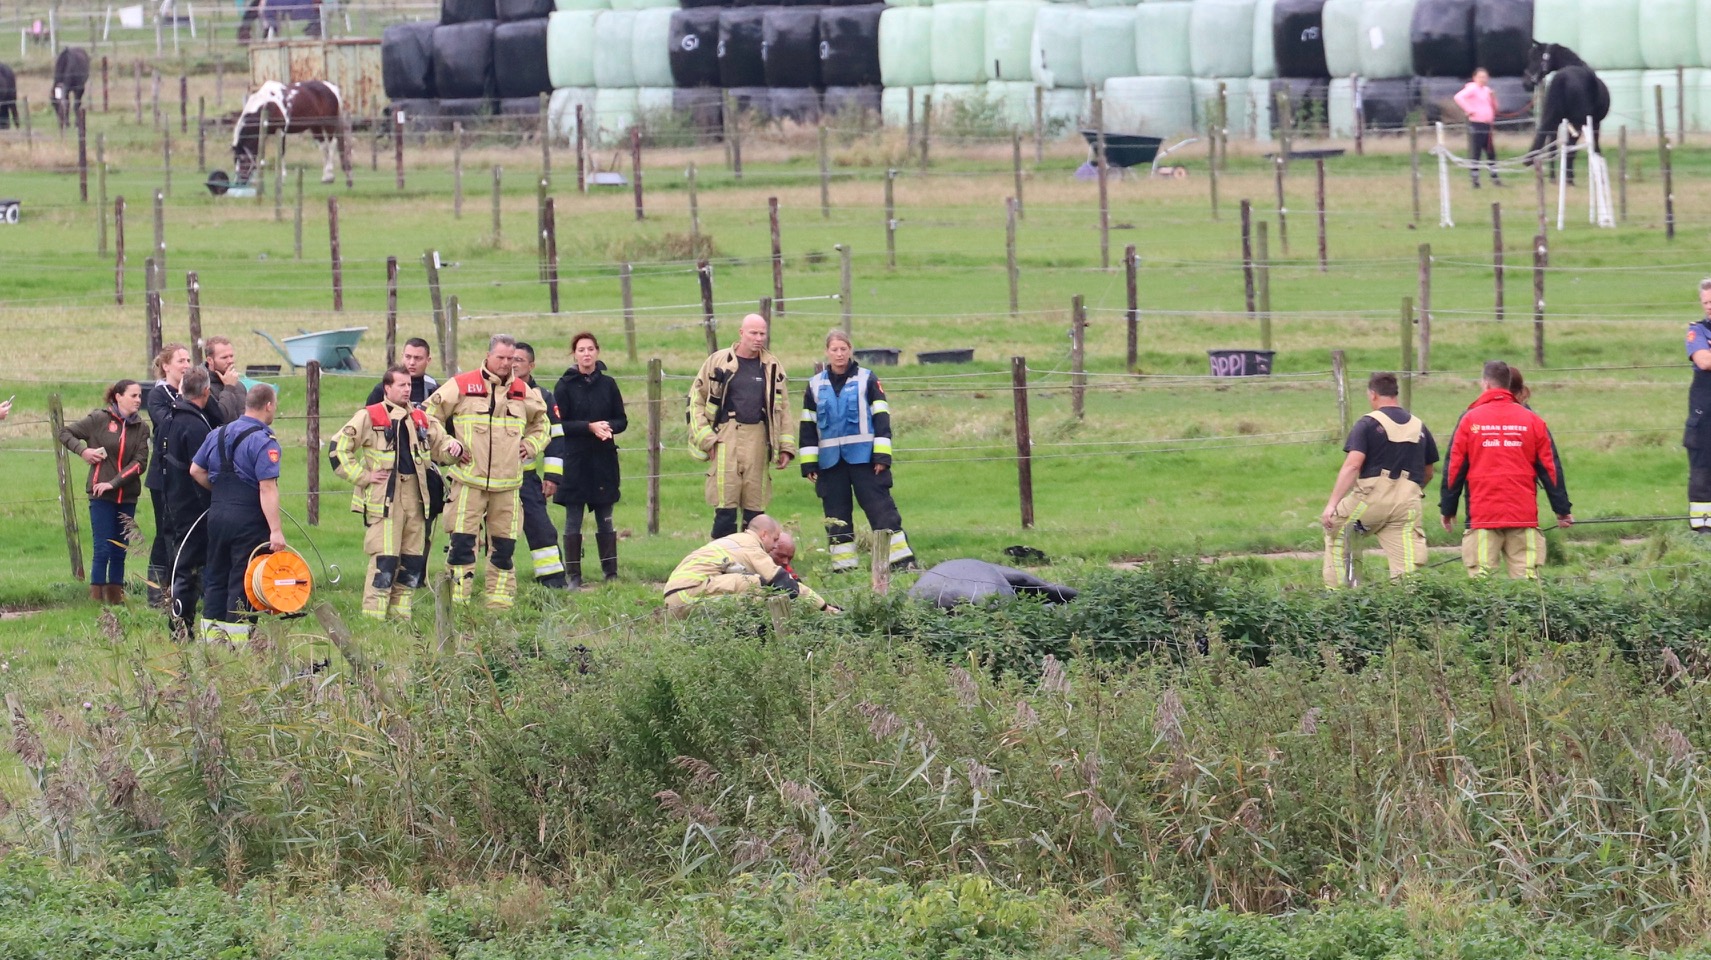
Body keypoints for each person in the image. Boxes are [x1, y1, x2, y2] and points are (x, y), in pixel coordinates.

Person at [422, 334, 550, 608]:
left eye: (511, 359)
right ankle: (457, 605)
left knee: (504, 549)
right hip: (468, 483)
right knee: (461, 547)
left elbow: (543, 425)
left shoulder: (523, 391)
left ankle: (500, 607)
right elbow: (427, 416)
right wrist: (448, 444)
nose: (506, 364)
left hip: (508, 487)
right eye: (501, 358)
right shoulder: (462, 385)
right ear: (488, 356)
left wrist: (531, 444)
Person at [331, 365, 451, 621]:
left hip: (416, 499)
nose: (407, 389)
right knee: (385, 561)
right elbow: (338, 449)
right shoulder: (370, 416)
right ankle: (373, 619)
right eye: (401, 385)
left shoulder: (420, 418)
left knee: (412, 561)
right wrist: (364, 477)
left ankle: (400, 619)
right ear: (387, 388)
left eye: (409, 385)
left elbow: (440, 446)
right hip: (386, 500)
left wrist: (455, 448)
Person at [1439, 361, 1573, 579]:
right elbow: (1550, 468)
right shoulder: (1533, 420)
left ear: (1485, 384)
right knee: (1527, 585)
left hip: (1482, 516)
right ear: (1510, 384)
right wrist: (1562, 509)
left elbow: (1454, 468)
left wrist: (1448, 508)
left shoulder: (1469, 419)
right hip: (1523, 517)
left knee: (1482, 584)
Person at [799, 330, 916, 573]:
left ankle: (901, 562)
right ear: (827, 352)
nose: (839, 354)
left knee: (881, 510)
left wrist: (882, 456)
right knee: (836, 516)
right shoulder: (814, 385)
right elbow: (808, 425)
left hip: (866, 460)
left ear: (850, 350)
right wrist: (809, 464)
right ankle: (844, 568)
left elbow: (881, 418)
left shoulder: (868, 379)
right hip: (830, 464)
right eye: (834, 350)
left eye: (843, 349)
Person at [1319, 372, 1439, 588]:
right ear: (1396, 394)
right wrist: (1409, 491)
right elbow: (1428, 471)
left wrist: (1331, 505)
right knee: (1407, 567)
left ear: (1372, 394)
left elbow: (1353, 465)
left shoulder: (1367, 424)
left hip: (1369, 502)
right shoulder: (1419, 426)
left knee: (1336, 532)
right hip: (1407, 504)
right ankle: (1406, 609)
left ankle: (1338, 600)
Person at [190, 384, 288, 642]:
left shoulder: (218, 434)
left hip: (217, 515)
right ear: (268, 405)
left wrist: (221, 491)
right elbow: (267, 488)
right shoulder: (264, 441)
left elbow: (195, 470)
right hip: (248, 519)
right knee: (243, 579)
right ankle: (238, 646)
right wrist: (276, 531)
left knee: (216, 575)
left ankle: (211, 642)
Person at [687, 314, 796, 539]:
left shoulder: (772, 367)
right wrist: (707, 438)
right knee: (725, 506)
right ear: (741, 333)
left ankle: (751, 560)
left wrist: (786, 447)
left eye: (762, 333)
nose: (758, 338)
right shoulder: (718, 362)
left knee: (755, 509)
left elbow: (783, 408)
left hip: (758, 436)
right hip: (726, 437)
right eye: (753, 333)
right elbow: (695, 401)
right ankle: (721, 560)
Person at [58, 379, 150, 605]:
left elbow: (140, 462)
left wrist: (114, 482)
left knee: (120, 549)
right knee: (103, 548)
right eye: (133, 395)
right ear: (118, 397)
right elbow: (65, 432)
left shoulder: (142, 427)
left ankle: (116, 599)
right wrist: (83, 451)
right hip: (101, 496)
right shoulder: (99, 419)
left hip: (126, 495)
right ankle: (96, 600)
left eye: (140, 396)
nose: (138, 400)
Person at [549, 331, 627, 587]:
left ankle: (611, 574)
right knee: (573, 521)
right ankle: (573, 577)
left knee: (605, 518)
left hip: (603, 461)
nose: (586, 354)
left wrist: (607, 427)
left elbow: (621, 419)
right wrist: (588, 427)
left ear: (597, 352)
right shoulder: (564, 386)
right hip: (575, 461)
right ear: (574, 354)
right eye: (581, 349)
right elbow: (560, 424)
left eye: (590, 349)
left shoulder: (609, 384)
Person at [662, 514, 837, 615]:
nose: (775, 545)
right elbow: (783, 581)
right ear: (764, 534)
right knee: (760, 586)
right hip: (689, 593)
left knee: (753, 588)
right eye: (775, 539)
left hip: (675, 597)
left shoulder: (734, 542)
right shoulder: (751, 546)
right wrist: (823, 606)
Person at [505, 342, 569, 590]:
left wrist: (552, 477)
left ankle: (552, 583)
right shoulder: (496, 391)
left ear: (531, 365)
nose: (513, 363)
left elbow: (556, 437)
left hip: (526, 479)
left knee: (541, 531)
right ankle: (498, 585)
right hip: (492, 479)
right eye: (510, 358)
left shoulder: (542, 396)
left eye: (519, 359)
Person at [161, 367, 216, 637]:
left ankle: (184, 624)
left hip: (172, 500)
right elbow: (199, 468)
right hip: (192, 506)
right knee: (187, 569)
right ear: (206, 391)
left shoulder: (172, 417)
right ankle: (181, 628)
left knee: (182, 564)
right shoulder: (194, 424)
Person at [144, 342, 193, 606]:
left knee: (184, 531)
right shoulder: (158, 395)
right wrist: (183, 398)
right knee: (165, 531)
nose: (186, 365)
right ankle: (157, 593)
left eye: (188, 361)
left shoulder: (186, 392)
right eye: (181, 361)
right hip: (162, 476)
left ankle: (183, 588)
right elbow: (166, 426)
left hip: (185, 475)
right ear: (166, 366)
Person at [1684, 279, 1711, 531]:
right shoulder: (1698, 331)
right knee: (1702, 473)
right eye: (1706, 302)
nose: (1709, 307)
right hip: (1705, 420)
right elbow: (1704, 361)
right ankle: (1703, 531)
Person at [1454, 68, 1501, 188]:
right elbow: (1458, 97)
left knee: (1491, 152)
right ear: (1475, 78)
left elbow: (1495, 108)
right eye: (1481, 77)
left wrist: (1493, 98)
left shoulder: (1487, 90)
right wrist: (1469, 110)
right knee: (1476, 152)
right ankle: (1475, 180)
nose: (1483, 79)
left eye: (1485, 77)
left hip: (1487, 124)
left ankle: (1495, 177)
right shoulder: (1472, 88)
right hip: (1477, 123)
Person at [365, 337, 439, 407]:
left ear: (428, 360)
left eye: (418, 358)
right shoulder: (383, 389)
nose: (412, 362)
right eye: (408, 357)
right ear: (402, 357)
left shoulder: (435, 390)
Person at [203, 336, 246, 425]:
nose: (230, 361)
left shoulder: (239, 386)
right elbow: (221, 418)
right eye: (224, 357)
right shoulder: (203, 387)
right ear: (210, 360)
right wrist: (228, 388)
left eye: (231, 356)